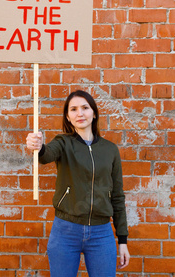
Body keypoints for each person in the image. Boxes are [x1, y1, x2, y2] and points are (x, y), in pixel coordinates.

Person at [26, 90, 129, 277]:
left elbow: (117, 196)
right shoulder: (63, 143)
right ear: (68, 116)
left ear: (94, 112)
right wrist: (38, 146)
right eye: (73, 109)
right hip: (65, 230)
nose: (79, 113)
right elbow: (46, 155)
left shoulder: (110, 150)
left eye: (85, 108)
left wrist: (123, 241)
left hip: (101, 233)